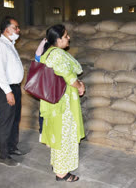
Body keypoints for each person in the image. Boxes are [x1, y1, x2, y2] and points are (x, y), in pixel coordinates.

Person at [39, 24, 85, 182]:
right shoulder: (57, 54)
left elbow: (67, 74)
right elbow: (69, 77)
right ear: (58, 40)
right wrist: (79, 86)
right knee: (63, 137)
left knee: (59, 135)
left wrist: (78, 83)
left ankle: (59, 165)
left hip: (59, 103)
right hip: (62, 106)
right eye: (66, 36)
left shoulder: (53, 53)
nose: (69, 38)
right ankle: (61, 173)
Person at [0, 16, 26, 167]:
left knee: (15, 120)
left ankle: (12, 147)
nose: (18, 30)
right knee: (5, 122)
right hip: (6, 89)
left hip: (14, 88)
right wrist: (8, 91)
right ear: (6, 29)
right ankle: (4, 155)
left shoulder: (9, 44)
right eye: (15, 27)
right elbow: (0, 72)